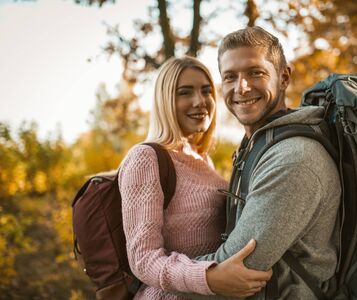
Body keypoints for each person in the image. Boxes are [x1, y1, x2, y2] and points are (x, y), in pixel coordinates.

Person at [190, 26, 341, 299]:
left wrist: (154, 271)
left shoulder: (294, 159)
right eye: (230, 77)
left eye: (255, 72)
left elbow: (232, 269)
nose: (241, 87)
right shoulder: (260, 144)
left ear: (284, 77)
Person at [118, 56, 272, 300]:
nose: (200, 102)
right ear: (165, 100)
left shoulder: (202, 159)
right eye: (185, 93)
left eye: (206, 91)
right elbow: (144, 260)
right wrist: (210, 277)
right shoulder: (146, 158)